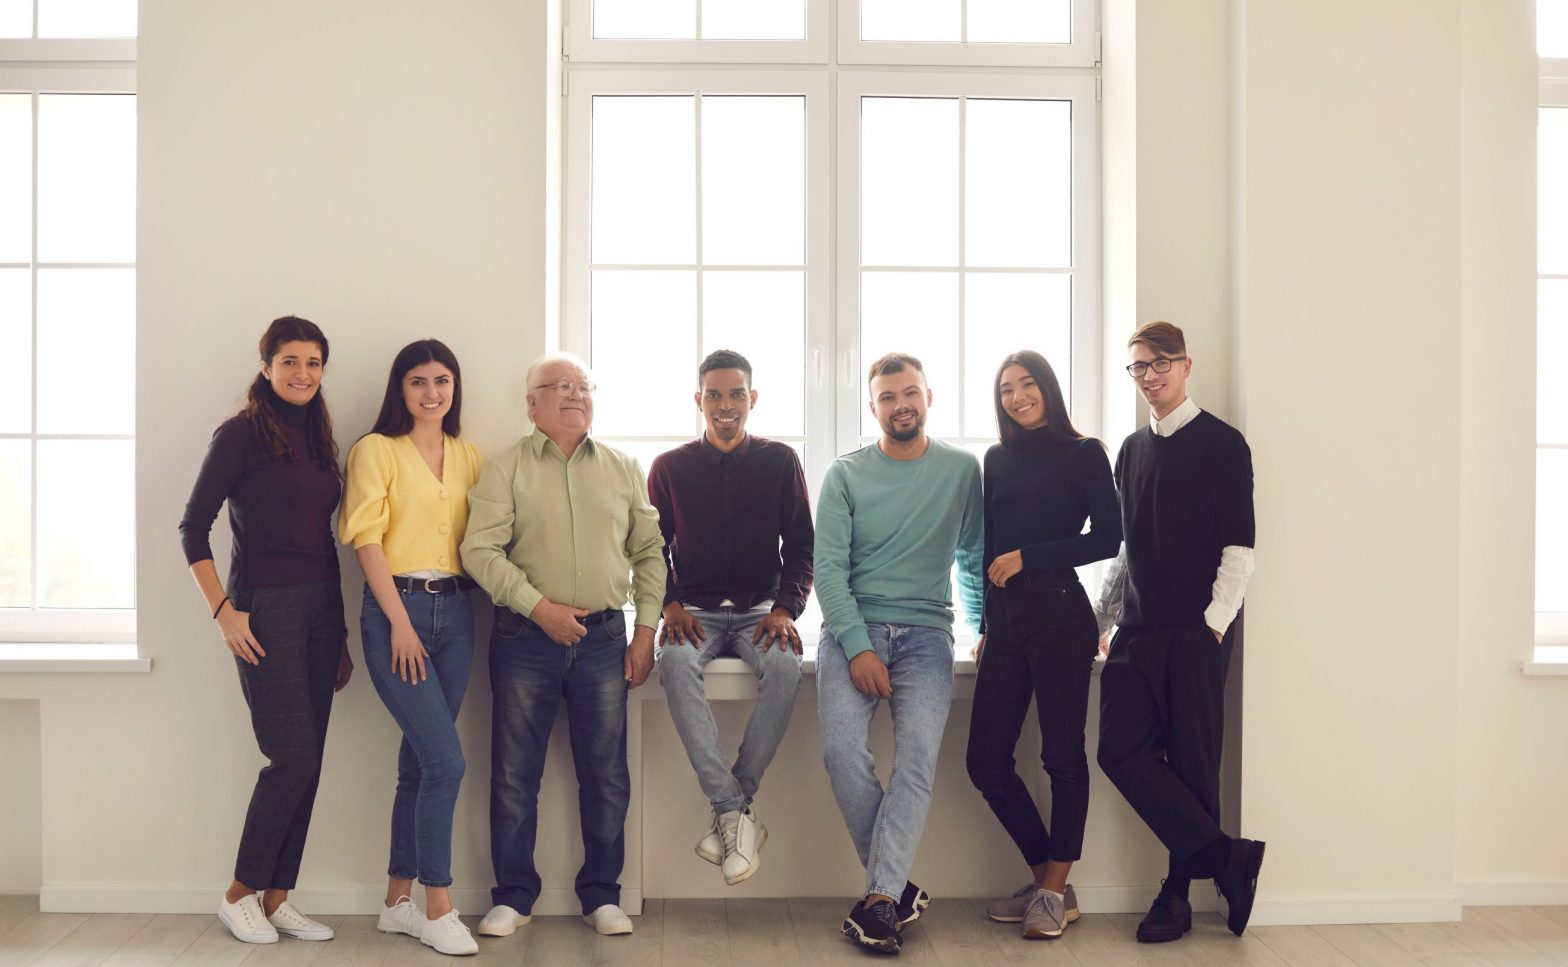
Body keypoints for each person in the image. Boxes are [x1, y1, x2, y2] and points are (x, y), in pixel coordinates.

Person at [460, 352, 666, 940]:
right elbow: (479, 551)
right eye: (559, 386)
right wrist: (539, 608)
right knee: (513, 774)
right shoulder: (505, 469)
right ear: (532, 403)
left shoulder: (625, 468)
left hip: (606, 639)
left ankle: (602, 895)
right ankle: (513, 896)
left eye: (583, 386)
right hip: (524, 638)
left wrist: (646, 631)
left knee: (605, 775)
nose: (574, 394)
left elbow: (650, 552)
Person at [178, 315, 352, 946]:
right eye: (289, 362)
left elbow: (324, 538)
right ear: (266, 366)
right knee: (291, 757)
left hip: (321, 608)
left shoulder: (319, 435)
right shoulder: (240, 434)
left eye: (312, 363)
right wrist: (224, 611)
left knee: (312, 761)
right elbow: (192, 527)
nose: (302, 374)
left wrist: (338, 630)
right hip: (264, 610)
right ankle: (238, 893)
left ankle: (279, 899)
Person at [1093, 321, 1264, 943]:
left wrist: (1214, 625)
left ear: (1186, 366)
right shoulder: (1131, 451)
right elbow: (1126, 551)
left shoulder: (1222, 444)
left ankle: (1175, 896)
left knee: (1195, 765)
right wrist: (1104, 620)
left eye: (1161, 362)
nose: (1150, 374)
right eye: (1139, 366)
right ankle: (1227, 859)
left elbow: (1239, 546)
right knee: (1119, 752)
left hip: (1197, 632)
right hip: (1137, 632)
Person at [814, 352, 984, 954]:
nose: (900, 404)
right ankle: (890, 892)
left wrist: (983, 624)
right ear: (873, 407)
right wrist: (859, 648)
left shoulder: (963, 470)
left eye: (909, 393)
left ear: (928, 398)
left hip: (927, 638)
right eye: (887, 397)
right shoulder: (845, 473)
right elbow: (828, 572)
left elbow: (971, 557)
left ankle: (882, 898)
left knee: (915, 764)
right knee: (840, 754)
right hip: (849, 629)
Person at [968, 350, 1121, 940]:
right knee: (985, 762)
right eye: (1006, 388)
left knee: (1062, 757)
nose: (1016, 396)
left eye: (1027, 384)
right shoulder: (997, 458)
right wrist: (984, 625)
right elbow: (990, 547)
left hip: (1060, 614)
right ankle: (1047, 883)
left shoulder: (1086, 454)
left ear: (1049, 389)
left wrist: (1032, 556)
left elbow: (1109, 538)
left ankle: (1054, 891)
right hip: (1006, 621)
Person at [339, 340, 485, 956]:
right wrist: (399, 622)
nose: (432, 393)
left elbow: (484, 537)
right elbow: (366, 539)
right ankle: (438, 906)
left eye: (442, 381)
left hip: (458, 611)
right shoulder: (376, 451)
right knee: (446, 763)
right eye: (418, 382)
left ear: (455, 388)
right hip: (396, 612)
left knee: (420, 764)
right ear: (400, 390)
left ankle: (395, 901)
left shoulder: (468, 454)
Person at [646, 349, 813, 886]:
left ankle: (731, 808)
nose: (725, 405)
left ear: (752, 399)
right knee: (672, 663)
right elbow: (651, 547)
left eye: (736, 394)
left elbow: (803, 546)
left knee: (786, 669)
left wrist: (786, 609)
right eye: (714, 395)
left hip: (760, 614)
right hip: (689, 613)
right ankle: (732, 809)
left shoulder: (781, 461)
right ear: (699, 401)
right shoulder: (669, 468)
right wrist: (668, 603)